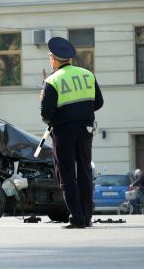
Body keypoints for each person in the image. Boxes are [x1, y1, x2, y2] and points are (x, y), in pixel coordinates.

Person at [40, 37, 104, 229]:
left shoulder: (52, 80)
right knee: (84, 172)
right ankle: (86, 216)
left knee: (66, 174)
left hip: (63, 131)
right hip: (86, 129)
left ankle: (76, 218)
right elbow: (99, 103)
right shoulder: (88, 74)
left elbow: (45, 113)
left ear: (53, 58)